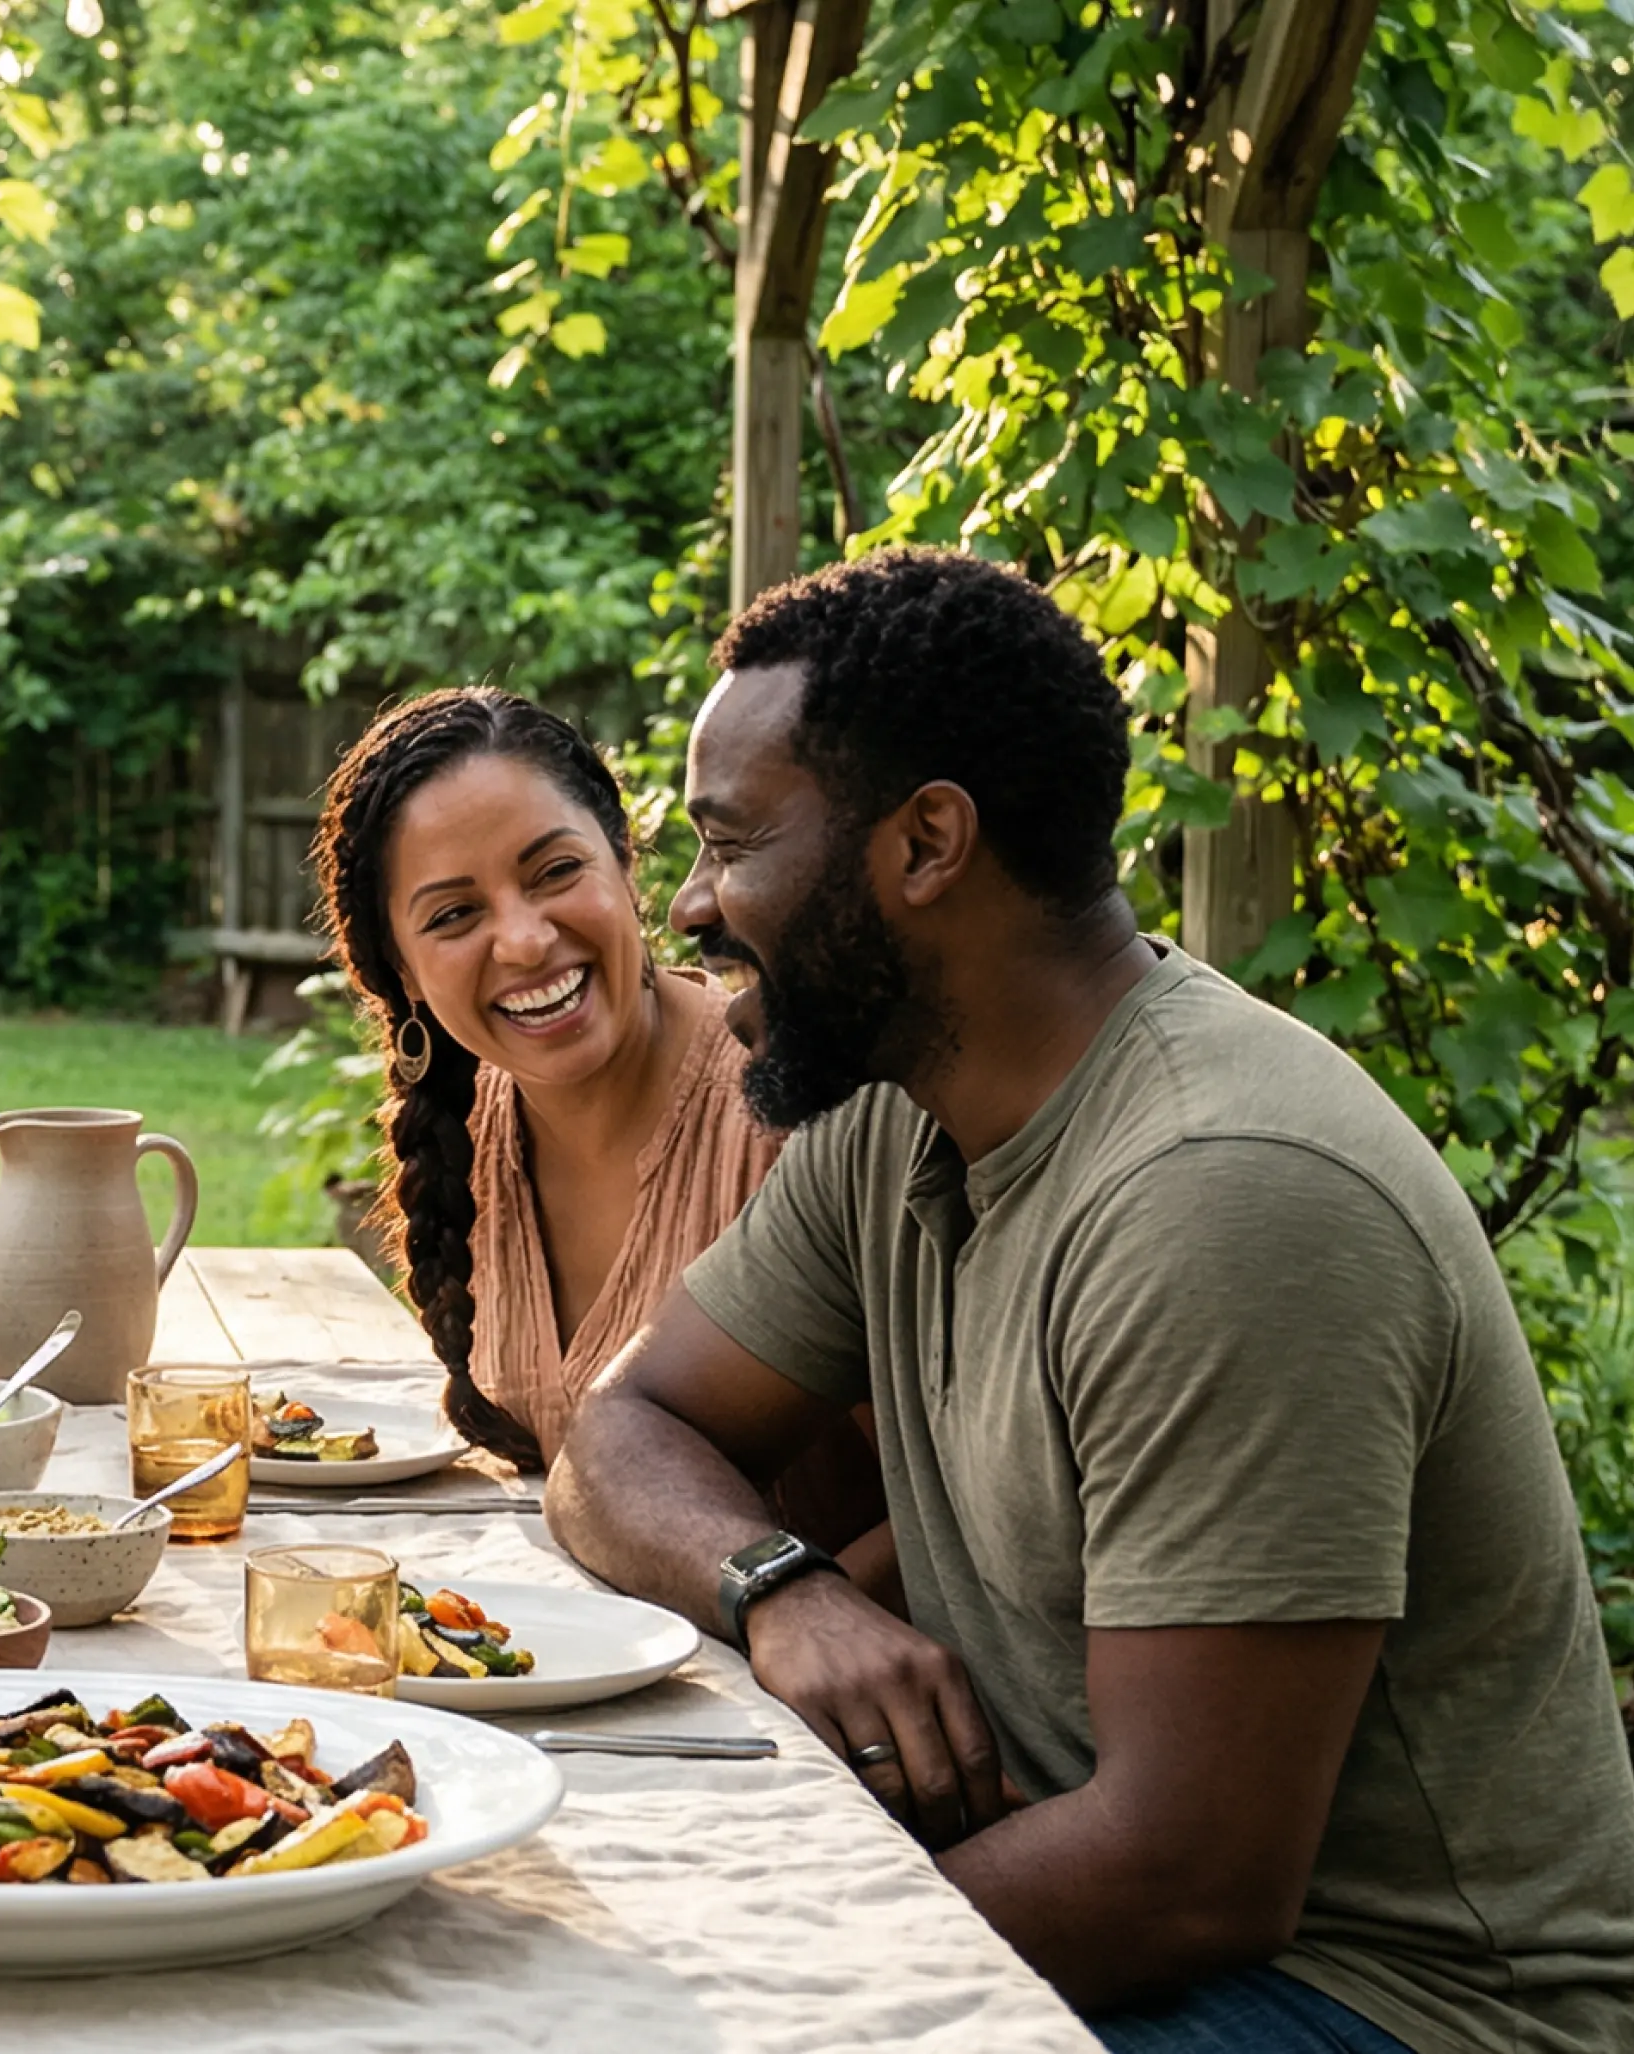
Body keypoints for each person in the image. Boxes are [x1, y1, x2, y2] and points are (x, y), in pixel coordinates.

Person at [543, 549, 1634, 2053]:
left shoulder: (1220, 1194)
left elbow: (1187, 1878)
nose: (692, 901)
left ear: (925, 843)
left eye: (730, 843)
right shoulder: (897, 1105)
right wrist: (776, 1587)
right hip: (1096, 1886)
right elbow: (622, 1430)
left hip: (1380, 1998)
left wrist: (747, 1979)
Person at [312, 686, 887, 1567]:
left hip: (812, 1688)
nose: (525, 940)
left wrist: (795, 1618)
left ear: (626, 864)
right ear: (404, 973)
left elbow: (952, 1510)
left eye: (555, 872)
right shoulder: (472, 1140)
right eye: (455, 915)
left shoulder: (794, 1121)